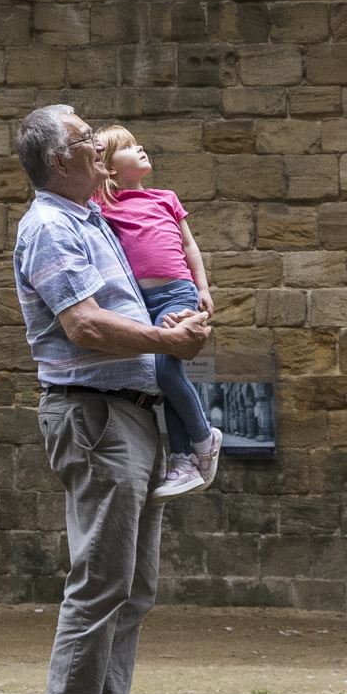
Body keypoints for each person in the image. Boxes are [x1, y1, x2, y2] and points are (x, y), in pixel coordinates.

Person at [9, 100, 213, 694]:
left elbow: (142, 292)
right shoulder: (48, 227)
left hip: (132, 413)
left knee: (133, 583)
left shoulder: (92, 218)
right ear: (58, 160)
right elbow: (86, 327)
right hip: (93, 414)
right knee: (99, 577)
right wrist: (166, 340)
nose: (100, 146)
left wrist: (181, 318)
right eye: (85, 139)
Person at [92, 123, 221, 496]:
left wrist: (203, 288)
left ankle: (202, 436)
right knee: (164, 374)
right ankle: (183, 460)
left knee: (166, 369)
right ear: (110, 168)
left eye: (138, 143)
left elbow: (190, 247)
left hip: (177, 293)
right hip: (142, 303)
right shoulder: (104, 206)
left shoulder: (166, 198)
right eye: (129, 146)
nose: (141, 147)